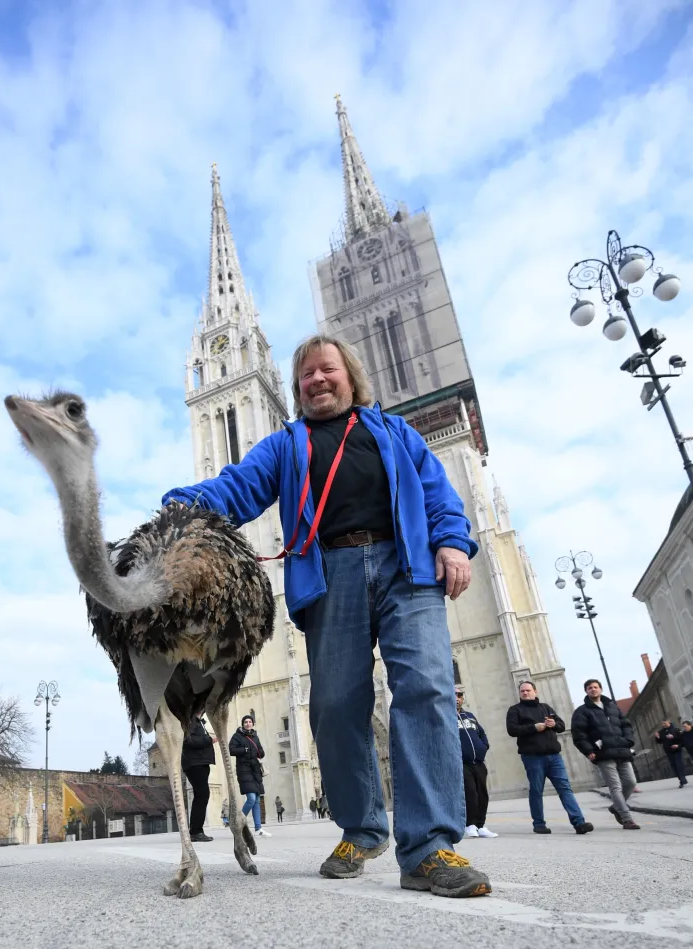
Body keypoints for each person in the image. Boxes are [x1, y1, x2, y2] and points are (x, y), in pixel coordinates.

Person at [163, 334, 490, 898]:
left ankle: (431, 847)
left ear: (350, 377)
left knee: (427, 690)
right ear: (296, 389)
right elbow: (239, 487)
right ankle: (361, 829)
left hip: (406, 566)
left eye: (326, 370)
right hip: (330, 572)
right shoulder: (288, 445)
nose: (316, 380)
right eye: (306, 375)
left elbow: (438, 494)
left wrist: (453, 543)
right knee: (336, 705)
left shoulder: (393, 432)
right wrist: (179, 505)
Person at [506, 680, 593, 835]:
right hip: (532, 757)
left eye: (528, 690)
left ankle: (579, 822)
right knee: (536, 791)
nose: (525, 693)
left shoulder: (545, 708)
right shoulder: (515, 710)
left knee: (565, 789)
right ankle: (539, 824)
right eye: (522, 691)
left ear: (535, 692)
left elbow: (561, 725)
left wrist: (553, 723)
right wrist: (533, 728)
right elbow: (512, 730)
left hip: (554, 757)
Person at [571, 679, 640, 830]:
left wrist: (628, 740)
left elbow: (625, 724)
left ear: (600, 689)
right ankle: (627, 818)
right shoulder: (582, 711)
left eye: (595, 687)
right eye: (590, 688)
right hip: (602, 753)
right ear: (586, 691)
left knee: (630, 782)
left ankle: (616, 807)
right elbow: (578, 734)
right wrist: (589, 750)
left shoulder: (612, 706)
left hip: (622, 750)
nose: (593, 690)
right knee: (615, 786)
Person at [456, 689, 497, 838]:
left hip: (478, 761)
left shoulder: (470, 716)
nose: (457, 698)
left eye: (459, 695)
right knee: (470, 793)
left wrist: (483, 747)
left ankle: (481, 825)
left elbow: (482, 733)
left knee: (482, 794)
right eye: (453, 695)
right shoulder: (445, 717)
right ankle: (470, 825)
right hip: (462, 762)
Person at [229, 715, 271, 837]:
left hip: (255, 770)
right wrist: (244, 750)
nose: (248, 724)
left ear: (253, 724)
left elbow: (261, 752)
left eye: (250, 722)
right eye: (246, 722)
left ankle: (258, 829)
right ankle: (238, 823)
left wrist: (261, 752)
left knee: (257, 800)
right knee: (251, 798)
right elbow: (231, 750)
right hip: (244, 770)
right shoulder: (237, 736)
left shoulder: (255, 737)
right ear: (243, 724)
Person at [181, 709, 217, 843]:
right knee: (202, 795)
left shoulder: (197, 722)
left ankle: (196, 830)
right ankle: (196, 831)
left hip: (199, 762)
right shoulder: (191, 721)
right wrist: (208, 740)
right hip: (195, 763)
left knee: (200, 796)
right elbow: (188, 740)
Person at [654, 720, 688, 787]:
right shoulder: (661, 732)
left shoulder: (676, 730)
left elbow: (681, 739)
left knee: (679, 765)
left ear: (669, 722)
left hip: (676, 750)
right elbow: (660, 741)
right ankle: (681, 779)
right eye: (662, 723)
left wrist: (673, 738)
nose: (663, 724)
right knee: (674, 766)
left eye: (665, 723)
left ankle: (682, 780)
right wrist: (657, 737)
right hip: (668, 751)